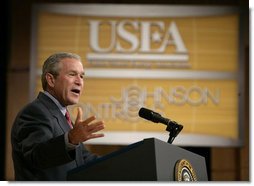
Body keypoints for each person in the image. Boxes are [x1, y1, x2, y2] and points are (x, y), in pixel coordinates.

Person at [11, 52, 105, 181]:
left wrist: (121, 162)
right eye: (72, 74)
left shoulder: (62, 115)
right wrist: (71, 139)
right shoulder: (35, 112)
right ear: (51, 80)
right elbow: (36, 156)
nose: (79, 82)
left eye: (82, 76)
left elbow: (82, 159)